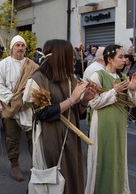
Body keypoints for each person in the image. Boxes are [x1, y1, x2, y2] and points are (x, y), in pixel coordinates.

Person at [23, 39, 96, 194]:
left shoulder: (70, 78)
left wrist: (84, 101)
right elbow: (42, 114)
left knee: (72, 175)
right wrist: (72, 99)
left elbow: (77, 114)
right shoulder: (37, 79)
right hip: (51, 138)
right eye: (70, 56)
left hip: (71, 137)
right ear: (60, 57)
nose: (73, 60)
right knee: (54, 178)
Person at [85, 44, 136, 194]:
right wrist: (114, 91)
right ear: (109, 59)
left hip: (119, 125)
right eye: (120, 57)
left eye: (124, 56)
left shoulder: (122, 77)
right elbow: (93, 102)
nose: (124, 60)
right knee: (103, 159)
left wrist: (132, 89)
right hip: (103, 125)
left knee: (118, 158)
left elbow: (131, 103)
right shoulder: (98, 76)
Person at [0, 35, 38, 181]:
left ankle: (37, 166)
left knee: (34, 139)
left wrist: (27, 98)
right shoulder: (4, 64)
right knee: (12, 139)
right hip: (11, 107)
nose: (20, 48)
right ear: (12, 48)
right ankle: (15, 166)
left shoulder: (32, 65)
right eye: (17, 45)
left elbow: (38, 84)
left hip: (28, 107)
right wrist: (13, 99)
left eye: (22, 45)